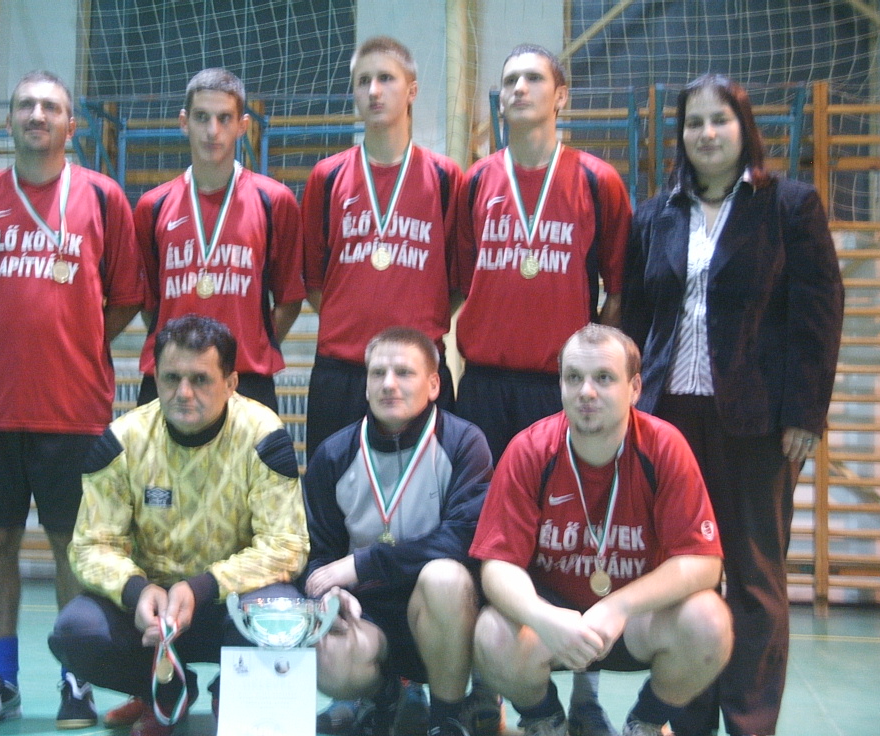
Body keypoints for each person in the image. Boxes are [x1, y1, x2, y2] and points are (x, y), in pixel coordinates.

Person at [621, 74, 844, 736]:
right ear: (680, 135)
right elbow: (635, 320)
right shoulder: (653, 215)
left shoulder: (790, 207)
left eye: (720, 119)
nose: (707, 132)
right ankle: (689, 720)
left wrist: (805, 414)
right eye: (694, 122)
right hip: (668, 421)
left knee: (753, 578)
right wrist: (630, 412)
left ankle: (750, 723)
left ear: (744, 128)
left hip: (757, 423)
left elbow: (818, 315)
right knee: (684, 576)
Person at [0, 70, 144, 730]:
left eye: (50, 106)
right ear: (9, 121)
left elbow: (126, 300)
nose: (37, 115)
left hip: (73, 407)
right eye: (25, 105)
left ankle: (75, 681)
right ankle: (1, 680)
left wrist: (73, 338)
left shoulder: (104, 198)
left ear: (70, 124)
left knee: (72, 549)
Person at [453, 43, 633, 735]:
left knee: (574, 538)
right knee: (484, 539)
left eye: (533, 78)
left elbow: (617, 290)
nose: (519, 89)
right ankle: (488, 688)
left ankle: (583, 689)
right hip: (485, 386)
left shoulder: (596, 181)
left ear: (561, 96)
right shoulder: (477, 181)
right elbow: (460, 280)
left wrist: (586, 367)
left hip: (563, 392)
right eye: (509, 81)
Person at [48, 314, 309, 736]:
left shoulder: (264, 436)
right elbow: (90, 546)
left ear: (231, 383)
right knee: (76, 632)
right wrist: (137, 591)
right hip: (153, 614)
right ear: (156, 378)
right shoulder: (123, 440)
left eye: (200, 379)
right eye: (171, 378)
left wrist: (201, 587)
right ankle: (165, 690)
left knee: (282, 614)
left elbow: (287, 546)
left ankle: (234, 691)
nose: (183, 392)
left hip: (230, 604)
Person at [469, 324, 733, 736]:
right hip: (553, 616)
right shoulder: (529, 449)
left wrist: (618, 607)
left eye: (604, 378)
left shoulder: (664, 446)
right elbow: (497, 567)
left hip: (636, 618)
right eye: (574, 377)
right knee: (492, 633)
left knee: (709, 623)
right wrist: (541, 616)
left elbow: (702, 563)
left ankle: (647, 722)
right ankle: (544, 720)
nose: (586, 392)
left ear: (635, 387)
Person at [303, 327, 494, 736]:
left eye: (404, 372)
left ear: (434, 384)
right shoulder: (334, 454)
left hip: (444, 612)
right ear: (366, 384)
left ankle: (446, 718)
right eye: (378, 373)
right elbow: (319, 554)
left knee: (445, 577)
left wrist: (363, 563)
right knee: (327, 659)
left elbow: (463, 539)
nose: (389, 384)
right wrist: (327, 593)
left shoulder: (464, 443)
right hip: (368, 612)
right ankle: (384, 695)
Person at [302, 36, 463, 460]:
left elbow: (458, 282)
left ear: (412, 90)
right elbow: (314, 281)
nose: (373, 91)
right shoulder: (326, 177)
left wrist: (419, 322)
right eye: (363, 81)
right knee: (332, 491)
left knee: (426, 491)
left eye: (386, 78)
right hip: (341, 371)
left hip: (417, 372)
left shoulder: (446, 178)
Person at [134, 68, 305, 413]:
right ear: (184, 122)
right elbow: (150, 304)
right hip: (170, 379)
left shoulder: (275, 202)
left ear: (242, 125)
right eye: (202, 117)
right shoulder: (152, 207)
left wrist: (251, 344)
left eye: (224, 118)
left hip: (246, 378)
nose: (213, 130)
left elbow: (289, 299)